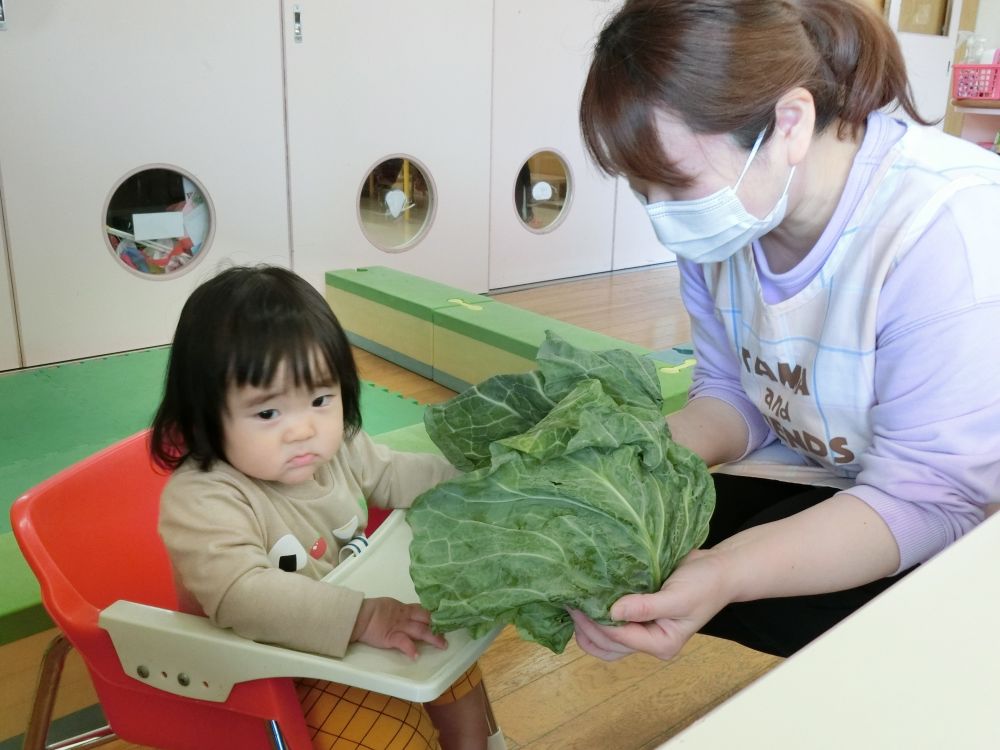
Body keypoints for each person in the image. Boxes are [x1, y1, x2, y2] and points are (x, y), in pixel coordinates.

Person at [569, 0, 1000, 662]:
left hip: (965, 512)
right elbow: (736, 392)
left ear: (790, 123)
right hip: (840, 462)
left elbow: (932, 498)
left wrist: (727, 574)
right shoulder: (727, 223)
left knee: (762, 588)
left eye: (676, 184)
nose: (662, 218)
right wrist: (627, 457)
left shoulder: (945, 229)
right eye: (640, 187)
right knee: (639, 546)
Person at [150, 265, 499, 750]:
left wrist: (483, 482)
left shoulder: (337, 449)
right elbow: (242, 596)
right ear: (204, 413)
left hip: (340, 634)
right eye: (268, 412)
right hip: (257, 669)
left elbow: (397, 475)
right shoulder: (204, 496)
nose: (302, 429)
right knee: (398, 735)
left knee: (455, 671)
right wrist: (362, 619)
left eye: (319, 399)